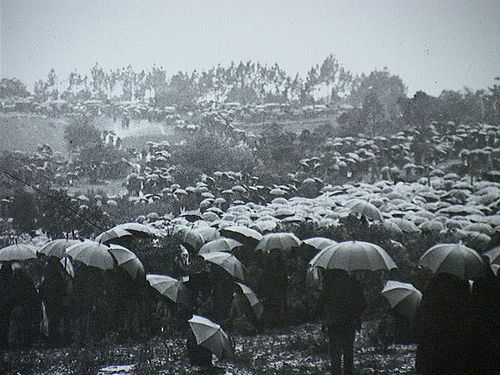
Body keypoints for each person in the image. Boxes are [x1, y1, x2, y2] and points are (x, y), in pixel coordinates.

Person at [415, 273, 472, 375]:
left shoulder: (433, 285)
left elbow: (421, 317)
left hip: (432, 345)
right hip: (455, 344)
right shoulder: (463, 285)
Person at [315, 269, 366, 375]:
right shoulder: (354, 283)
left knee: (335, 350)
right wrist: (356, 314)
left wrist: (321, 316)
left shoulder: (329, 283)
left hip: (333, 321)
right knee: (348, 350)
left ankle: (336, 372)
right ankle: (348, 372)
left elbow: (321, 302)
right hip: (350, 321)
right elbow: (363, 303)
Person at [0, 262, 14, 349]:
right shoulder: (11, 279)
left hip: (3, 301)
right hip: (7, 302)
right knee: (6, 322)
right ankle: (4, 341)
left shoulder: (2, 276)